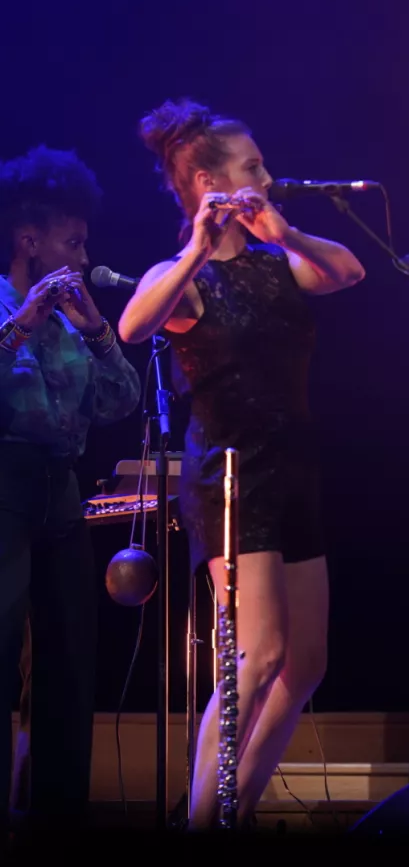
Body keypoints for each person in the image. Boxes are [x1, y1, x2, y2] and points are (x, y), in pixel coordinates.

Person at [119, 98, 366, 829]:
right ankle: (200, 824)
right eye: (252, 166)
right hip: (231, 480)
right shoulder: (184, 276)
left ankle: (234, 812)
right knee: (257, 655)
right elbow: (136, 325)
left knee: (307, 660)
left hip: (294, 468)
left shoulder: (274, 265)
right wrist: (197, 246)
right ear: (207, 182)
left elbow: (348, 271)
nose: (268, 173)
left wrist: (282, 228)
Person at [0, 144, 143, 832]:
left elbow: (121, 401)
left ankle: (58, 817)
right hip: (3, 481)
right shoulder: (11, 307)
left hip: (60, 488)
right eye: (73, 241)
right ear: (30, 239)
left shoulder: (70, 318)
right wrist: (22, 320)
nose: (84, 258)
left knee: (68, 657)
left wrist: (99, 334)